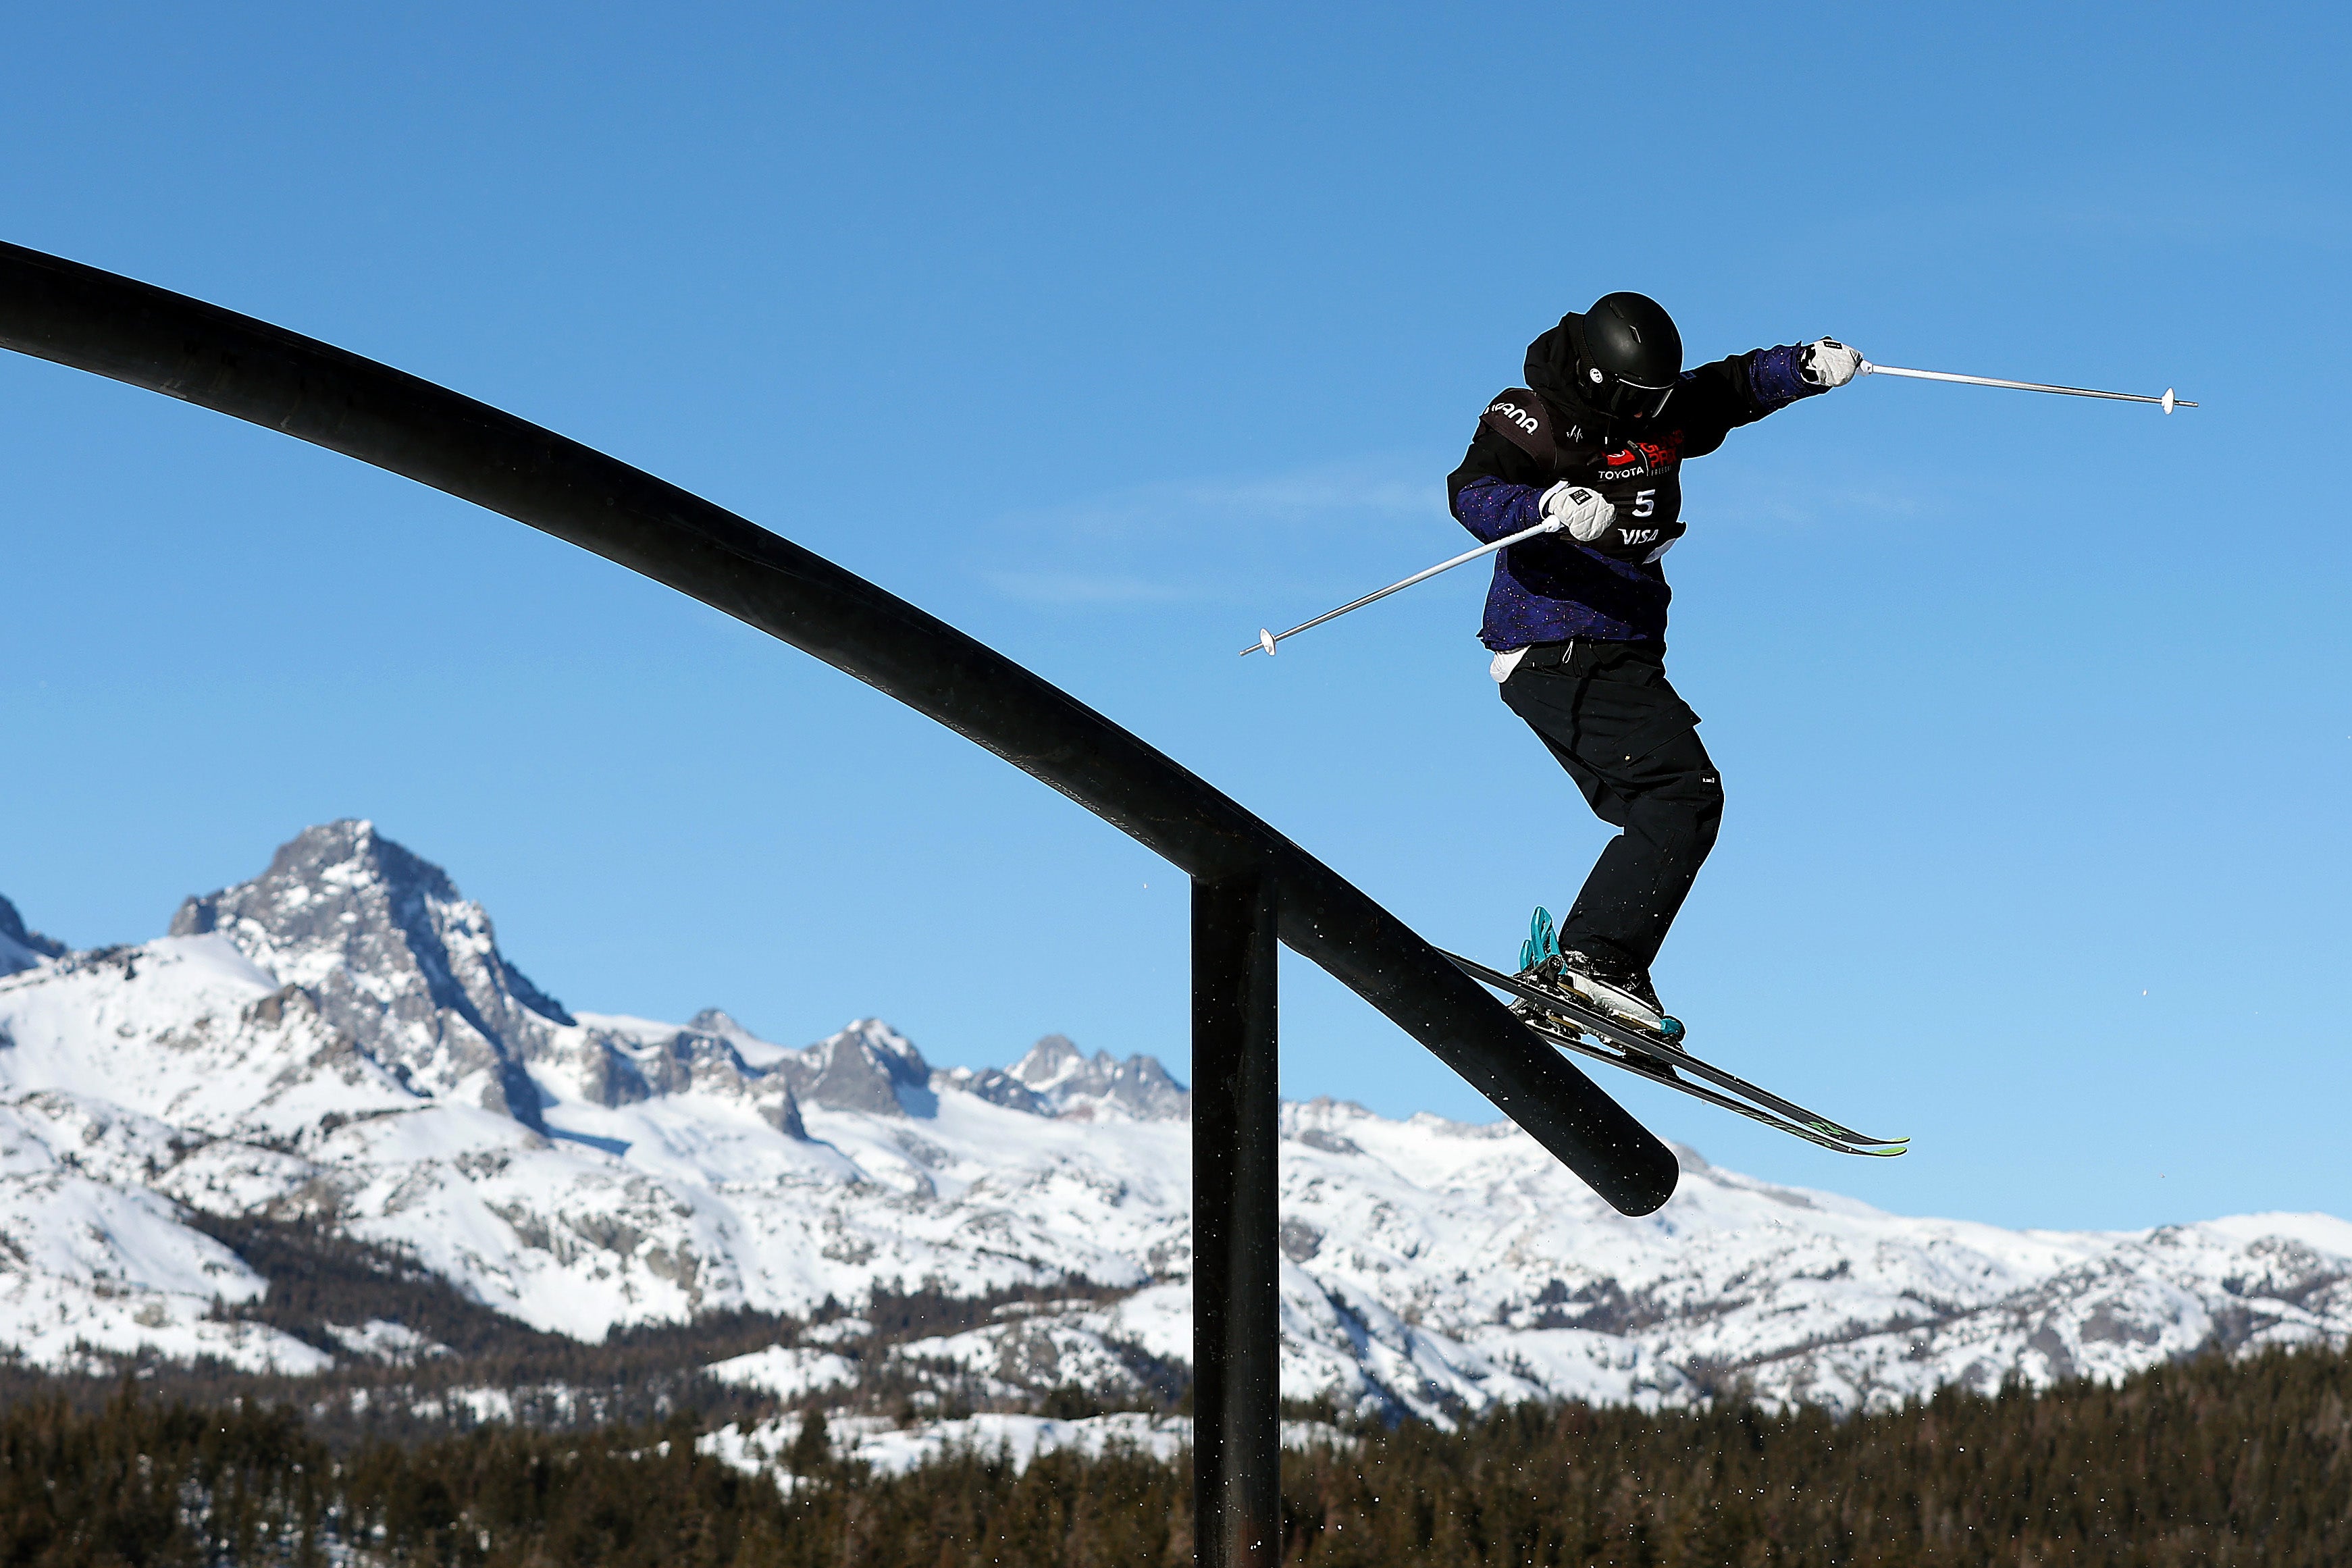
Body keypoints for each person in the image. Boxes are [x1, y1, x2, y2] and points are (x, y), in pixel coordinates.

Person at [1448, 291, 1860, 1039]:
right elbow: (1472, 493)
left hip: (1617, 652)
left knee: (1668, 805)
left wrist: (1805, 367)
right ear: (1602, 380)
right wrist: (1547, 505)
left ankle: (1591, 968)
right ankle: (1595, 960)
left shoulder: (1665, 411)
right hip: (1561, 646)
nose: (1653, 411)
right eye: (1638, 396)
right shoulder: (1533, 418)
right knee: (1682, 793)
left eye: (1659, 396)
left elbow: (1731, 389)